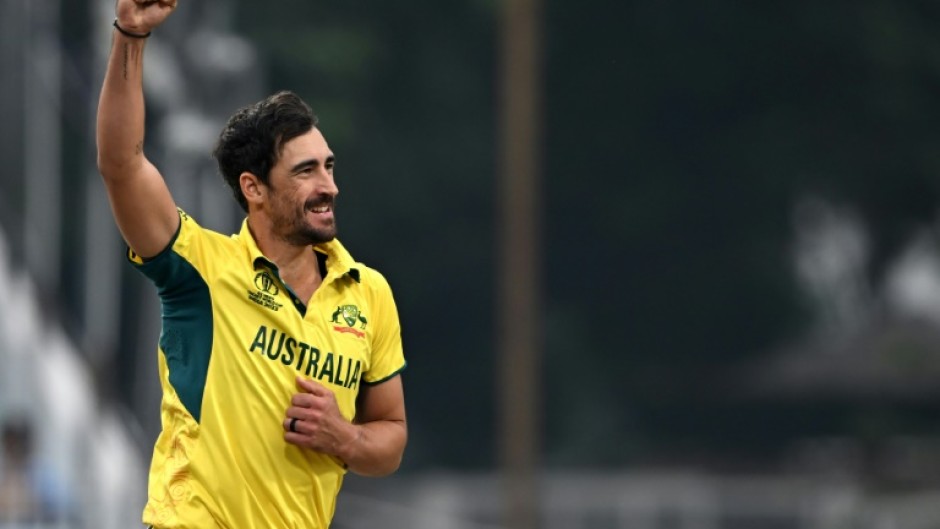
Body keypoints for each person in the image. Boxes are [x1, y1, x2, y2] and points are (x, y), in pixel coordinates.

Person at [96, 1, 408, 527]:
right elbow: (121, 165)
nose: (329, 186)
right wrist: (130, 34)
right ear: (253, 189)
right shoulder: (202, 270)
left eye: (328, 167)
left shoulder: (368, 291)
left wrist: (345, 437)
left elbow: (391, 436)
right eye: (305, 171)